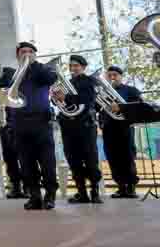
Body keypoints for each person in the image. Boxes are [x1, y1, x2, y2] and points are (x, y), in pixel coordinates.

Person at [9, 42, 60, 210]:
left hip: (41, 121)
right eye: (23, 52)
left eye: (30, 52)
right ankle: (35, 195)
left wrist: (34, 63)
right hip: (20, 123)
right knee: (26, 162)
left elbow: (51, 78)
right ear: (17, 55)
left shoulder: (41, 71)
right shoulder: (12, 75)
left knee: (47, 161)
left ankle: (50, 195)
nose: (27, 54)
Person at [52, 55, 101, 204]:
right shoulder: (67, 83)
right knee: (73, 159)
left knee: (90, 158)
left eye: (76, 66)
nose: (73, 69)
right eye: (71, 66)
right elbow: (56, 101)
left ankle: (94, 191)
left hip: (85, 125)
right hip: (68, 125)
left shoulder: (90, 81)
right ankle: (82, 192)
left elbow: (87, 100)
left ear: (83, 67)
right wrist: (56, 97)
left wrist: (65, 98)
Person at [101, 65, 143, 198]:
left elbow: (138, 107)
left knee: (127, 157)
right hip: (109, 128)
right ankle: (121, 187)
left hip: (124, 128)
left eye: (115, 75)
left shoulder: (131, 90)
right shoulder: (103, 92)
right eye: (109, 75)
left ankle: (131, 187)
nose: (112, 78)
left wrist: (121, 107)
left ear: (121, 76)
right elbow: (97, 107)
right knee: (113, 158)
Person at [0, 66, 25, 199]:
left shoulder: (20, 91)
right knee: (11, 158)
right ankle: (17, 187)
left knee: (21, 158)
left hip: (18, 126)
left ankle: (24, 187)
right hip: (6, 126)